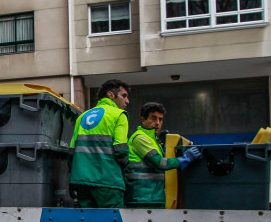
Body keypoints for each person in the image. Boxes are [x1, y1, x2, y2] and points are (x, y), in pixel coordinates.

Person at [125, 102, 201, 209]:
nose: (157, 123)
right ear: (143, 119)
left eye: (160, 119)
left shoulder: (153, 140)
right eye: (153, 118)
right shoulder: (140, 138)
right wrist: (184, 159)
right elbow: (160, 163)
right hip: (142, 199)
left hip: (152, 197)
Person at [70, 79, 131, 208]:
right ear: (111, 95)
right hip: (109, 182)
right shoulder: (119, 115)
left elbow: (71, 152)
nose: (127, 101)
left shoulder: (82, 117)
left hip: (82, 183)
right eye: (124, 96)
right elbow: (121, 151)